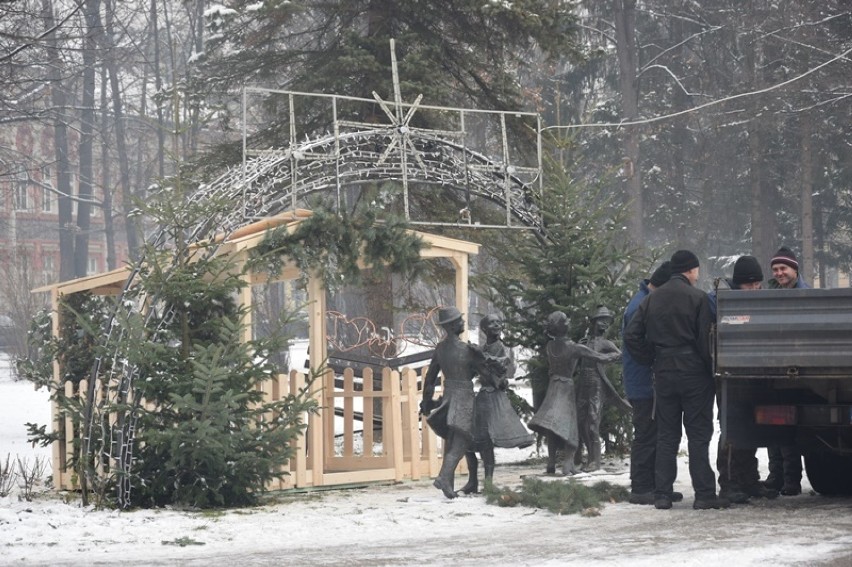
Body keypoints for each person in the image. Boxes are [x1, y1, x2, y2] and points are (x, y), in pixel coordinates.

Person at [624, 250, 728, 510]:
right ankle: (704, 494)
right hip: (694, 374)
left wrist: (652, 358)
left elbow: (631, 336)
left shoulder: (650, 299)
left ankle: (662, 494)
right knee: (698, 435)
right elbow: (706, 341)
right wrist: (708, 370)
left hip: (664, 373)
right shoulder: (699, 298)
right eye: (696, 270)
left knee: (667, 435)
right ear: (690, 270)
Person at [708, 255, 779, 503]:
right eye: (749, 284)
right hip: (730, 375)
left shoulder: (754, 299)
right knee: (732, 429)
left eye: (757, 284)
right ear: (738, 283)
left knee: (750, 427)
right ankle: (729, 482)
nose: (755, 289)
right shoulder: (720, 301)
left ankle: (748, 479)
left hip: (753, 373)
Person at [622, 261, 683, 505]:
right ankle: (641, 487)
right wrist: (654, 359)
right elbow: (636, 341)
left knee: (654, 432)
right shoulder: (641, 305)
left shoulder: (645, 300)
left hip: (645, 381)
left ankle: (656, 485)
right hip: (644, 382)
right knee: (646, 433)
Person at [528, 311, 618, 476]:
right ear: (563, 326)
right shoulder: (574, 347)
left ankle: (551, 462)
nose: (569, 321)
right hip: (566, 387)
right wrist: (617, 354)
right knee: (570, 426)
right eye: (566, 320)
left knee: (551, 425)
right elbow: (600, 358)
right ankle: (568, 465)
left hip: (553, 384)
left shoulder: (550, 346)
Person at [459, 315, 535, 494]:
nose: (497, 325)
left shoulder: (500, 348)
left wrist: (480, 356)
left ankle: (488, 482)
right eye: (492, 323)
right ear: (484, 330)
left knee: (485, 440)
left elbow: (498, 369)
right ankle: (472, 481)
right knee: (469, 440)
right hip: (483, 396)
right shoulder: (485, 347)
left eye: (499, 322)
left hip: (494, 397)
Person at [420, 306, 489, 499]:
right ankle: (443, 478)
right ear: (451, 326)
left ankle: (448, 486)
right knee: (462, 440)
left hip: (449, 395)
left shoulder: (440, 348)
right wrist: (481, 358)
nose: (463, 323)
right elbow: (486, 375)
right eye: (459, 320)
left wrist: (426, 401)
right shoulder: (466, 350)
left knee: (452, 441)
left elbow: (430, 378)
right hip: (464, 398)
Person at [763, 246, 810, 496]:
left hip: (801, 370)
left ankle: (792, 478)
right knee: (774, 424)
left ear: (795, 269)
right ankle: (776, 474)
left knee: (790, 430)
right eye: (775, 269)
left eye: (783, 268)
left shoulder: (808, 296)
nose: (779, 273)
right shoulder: (772, 295)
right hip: (777, 368)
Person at [576, 306, 622, 472]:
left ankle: (595, 461)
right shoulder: (584, 341)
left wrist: (603, 358)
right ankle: (589, 456)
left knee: (593, 421)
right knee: (581, 421)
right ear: (594, 322)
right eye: (602, 320)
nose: (604, 324)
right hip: (583, 383)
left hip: (597, 383)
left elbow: (619, 355)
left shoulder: (605, 343)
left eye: (607, 321)